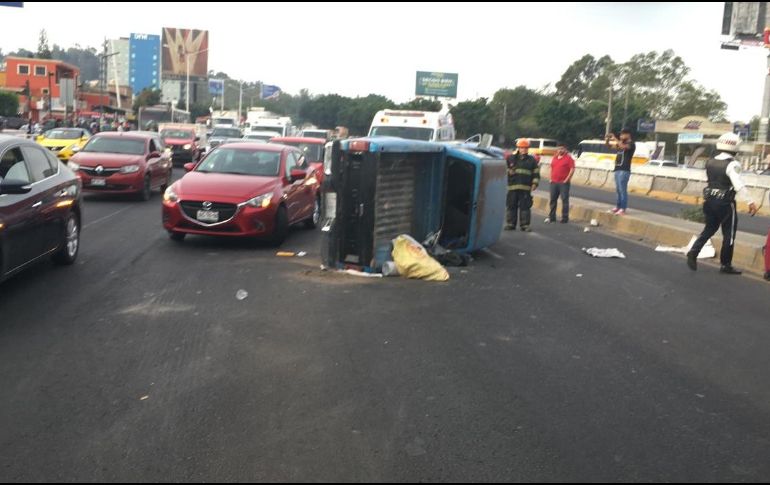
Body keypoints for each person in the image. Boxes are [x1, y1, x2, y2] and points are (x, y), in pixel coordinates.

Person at [686, 132, 758, 275]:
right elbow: (738, 184)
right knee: (729, 234)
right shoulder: (733, 164)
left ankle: (693, 251)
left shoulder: (710, 161)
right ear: (735, 147)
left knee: (709, 229)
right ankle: (726, 265)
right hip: (725, 202)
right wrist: (750, 201)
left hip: (710, 201)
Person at [505, 138, 540, 232]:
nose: (524, 149)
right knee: (511, 205)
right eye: (522, 148)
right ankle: (510, 224)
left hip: (525, 188)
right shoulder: (511, 158)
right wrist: (509, 171)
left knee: (525, 207)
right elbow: (504, 169)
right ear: (518, 148)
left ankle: (525, 225)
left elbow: (536, 173)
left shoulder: (532, 160)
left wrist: (535, 183)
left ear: (528, 149)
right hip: (512, 187)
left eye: (525, 148)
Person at [606, 128, 635, 215]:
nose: (621, 136)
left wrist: (615, 138)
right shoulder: (621, 144)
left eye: (622, 135)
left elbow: (623, 147)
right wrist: (607, 140)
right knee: (618, 190)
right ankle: (618, 207)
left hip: (624, 170)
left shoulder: (631, 144)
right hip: (617, 169)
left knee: (622, 190)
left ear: (628, 135)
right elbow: (609, 147)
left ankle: (623, 208)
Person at [547, 142, 575, 223]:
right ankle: (552, 217)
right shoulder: (555, 157)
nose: (560, 150)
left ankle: (565, 218)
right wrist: (550, 178)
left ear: (565, 149)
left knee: (564, 200)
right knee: (553, 199)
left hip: (563, 183)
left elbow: (572, 169)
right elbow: (552, 168)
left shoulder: (569, 158)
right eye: (559, 149)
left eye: (562, 149)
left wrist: (567, 179)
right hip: (554, 182)